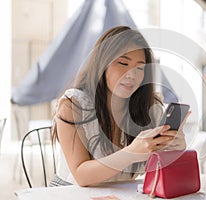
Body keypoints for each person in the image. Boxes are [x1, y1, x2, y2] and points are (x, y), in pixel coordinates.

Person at [50, 26, 188, 187]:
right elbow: (81, 176)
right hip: (72, 193)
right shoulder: (73, 104)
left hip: (123, 193)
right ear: (102, 64)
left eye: (139, 68)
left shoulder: (150, 109)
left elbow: (156, 171)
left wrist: (174, 148)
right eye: (123, 63)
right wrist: (131, 153)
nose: (131, 75)